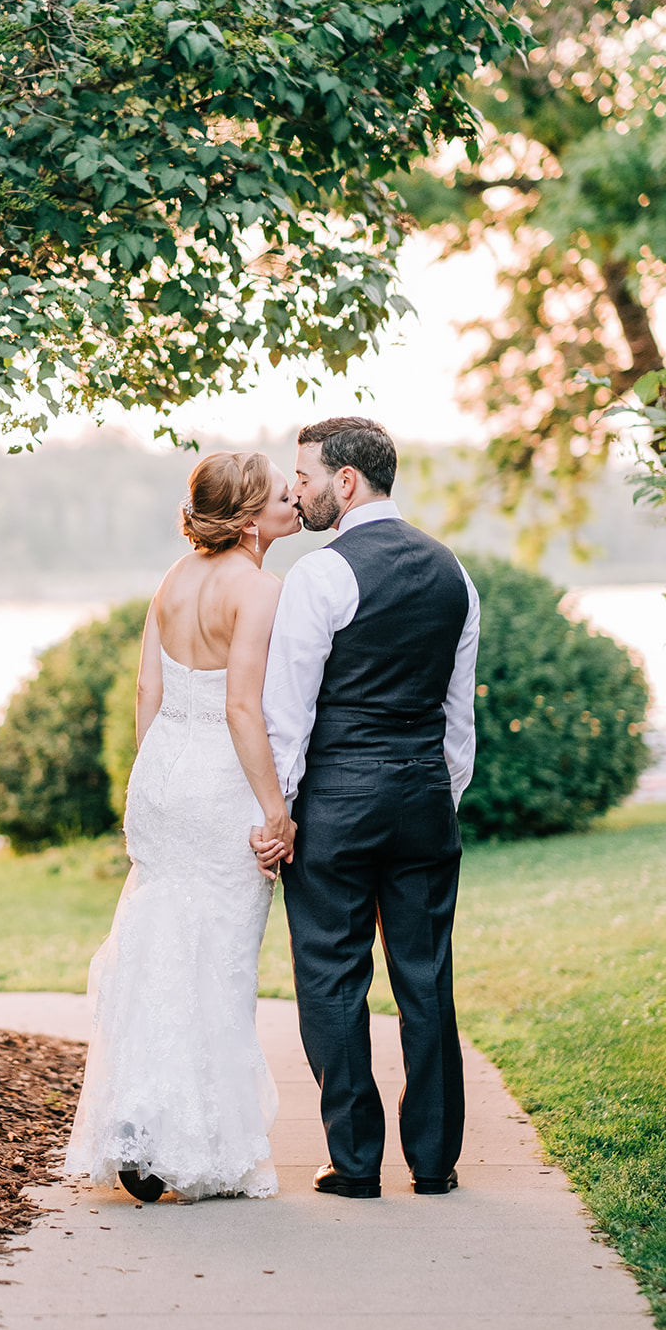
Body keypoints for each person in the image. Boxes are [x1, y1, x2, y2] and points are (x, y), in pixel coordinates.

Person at [65, 450, 300, 1202]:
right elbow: (242, 708)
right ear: (246, 519)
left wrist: (153, 775)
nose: (288, 500)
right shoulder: (258, 589)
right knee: (218, 965)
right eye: (274, 495)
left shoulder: (172, 578)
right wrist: (274, 809)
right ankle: (203, 1144)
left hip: (163, 774)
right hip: (222, 783)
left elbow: (147, 688)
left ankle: (139, 1127)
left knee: (157, 947)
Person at [259, 416, 479, 1199]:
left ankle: (353, 1163)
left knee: (330, 975)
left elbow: (288, 715)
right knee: (425, 978)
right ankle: (433, 1162)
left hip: (338, 804)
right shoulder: (452, 570)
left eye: (305, 475)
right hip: (423, 798)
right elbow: (458, 720)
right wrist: (435, 799)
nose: (298, 489)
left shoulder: (320, 575)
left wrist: (279, 814)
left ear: (344, 480)